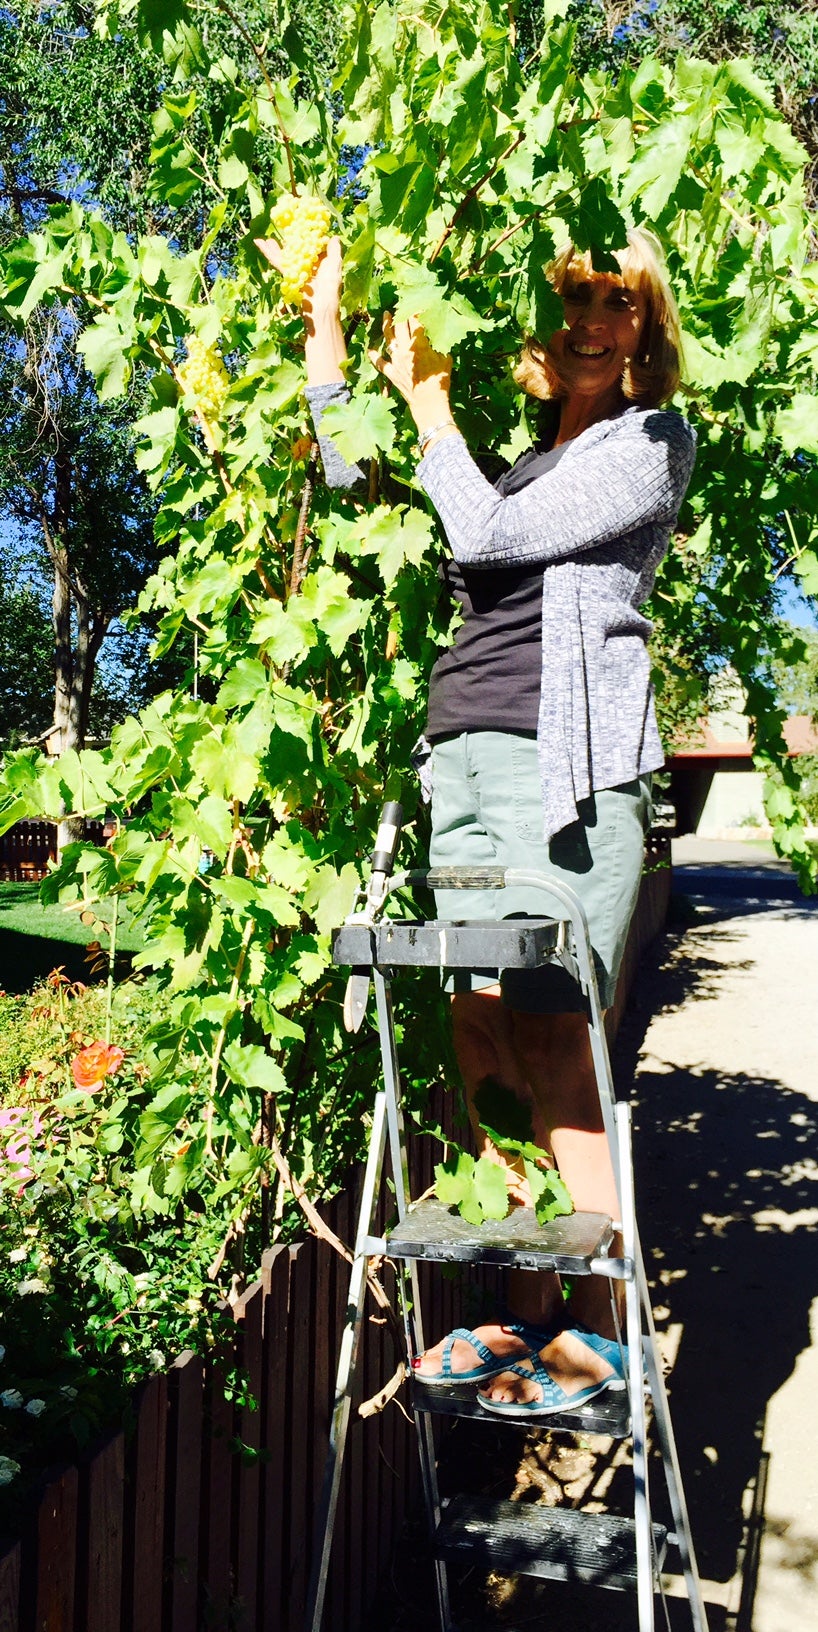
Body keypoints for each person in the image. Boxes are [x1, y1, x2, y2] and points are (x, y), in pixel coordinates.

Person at [257, 225, 696, 1416]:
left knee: (560, 1042)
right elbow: (357, 482)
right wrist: (332, 336)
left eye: (617, 303)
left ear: (644, 331)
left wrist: (432, 408)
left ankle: (599, 1333)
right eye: (570, 299)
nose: (591, 322)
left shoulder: (651, 444)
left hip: (569, 774)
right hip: (466, 764)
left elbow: (485, 538)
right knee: (480, 1036)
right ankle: (520, 1318)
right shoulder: (503, 461)